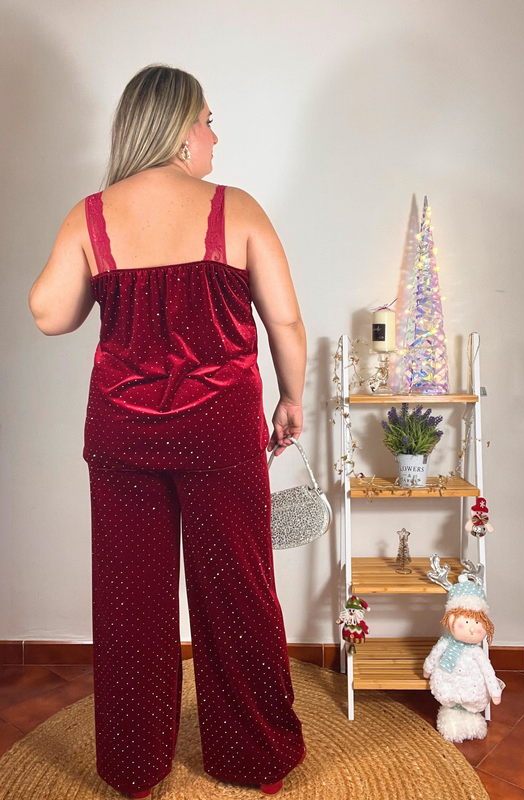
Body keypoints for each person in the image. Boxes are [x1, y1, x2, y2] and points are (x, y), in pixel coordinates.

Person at [28, 63, 307, 798]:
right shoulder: (236, 209)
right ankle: (254, 759)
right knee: (238, 591)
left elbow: (49, 314)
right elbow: (284, 320)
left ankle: (134, 766)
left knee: (131, 603)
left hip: (121, 436)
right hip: (221, 432)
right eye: (208, 121)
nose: (215, 136)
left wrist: (105, 268)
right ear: (181, 131)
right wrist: (291, 399)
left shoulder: (91, 215)